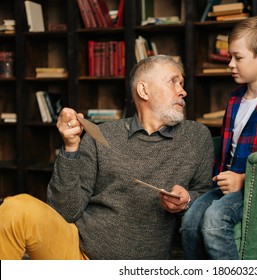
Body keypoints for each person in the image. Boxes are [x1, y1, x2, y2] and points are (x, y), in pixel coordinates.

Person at [0, 55, 214, 260]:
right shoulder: (102, 135)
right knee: (15, 208)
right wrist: (71, 147)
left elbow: (205, 195)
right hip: (78, 253)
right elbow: (64, 211)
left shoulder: (196, 137)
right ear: (143, 90)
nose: (183, 91)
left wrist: (187, 200)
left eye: (182, 83)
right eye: (173, 82)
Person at [181, 16, 257, 260]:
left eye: (238, 57)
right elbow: (227, 152)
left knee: (214, 219)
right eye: (230, 57)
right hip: (225, 184)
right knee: (189, 220)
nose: (230, 64)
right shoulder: (235, 100)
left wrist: (243, 179)